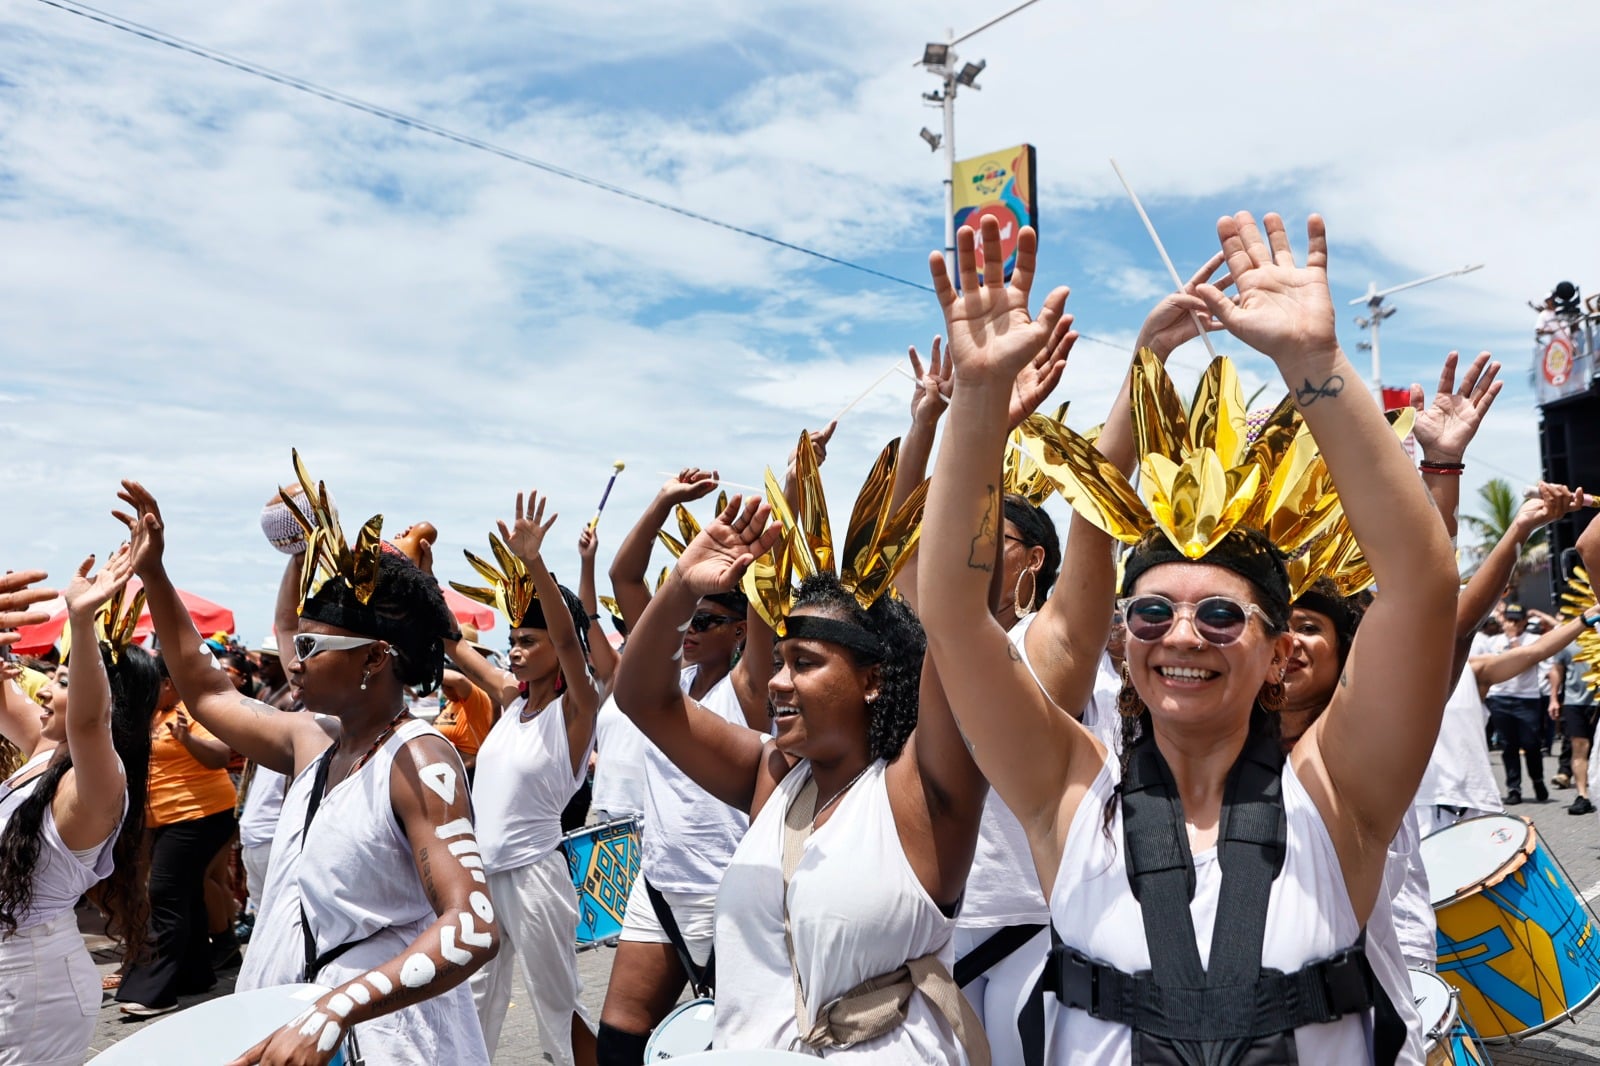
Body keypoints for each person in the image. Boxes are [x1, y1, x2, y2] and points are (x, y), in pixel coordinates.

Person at [920, 212, 1457, 1063]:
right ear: (1125, 641)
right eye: (1151, 612)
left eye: (1219, 615)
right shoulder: (1067, 795)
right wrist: (979, 402)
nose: (1182, 635)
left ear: (1279, 652)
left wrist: (1314, 367)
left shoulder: (1340, 798)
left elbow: (1423, 587)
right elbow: (950, 610)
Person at [117, 478, 499, 1066]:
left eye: (314, 644)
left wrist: (337, 1009)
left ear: (375, 657)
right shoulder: (311, 740)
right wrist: (156, 575)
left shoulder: (419, 759)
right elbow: (203, 683)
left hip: (383, 1037)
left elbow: (473, 926)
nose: (294, 660)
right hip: (290, 1018)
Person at [613, 471, 991, 1061]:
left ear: (872, 680)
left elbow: (955, 612)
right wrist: (683, 587)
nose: (776, 682)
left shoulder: (919, 792)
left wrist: (979, 412)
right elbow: (643, 698)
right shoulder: (775, 779)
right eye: (780, 660)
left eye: (805, 663)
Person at [595, 469, 774, 1063]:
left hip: (732, 892)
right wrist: (666, 499)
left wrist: (794, 490)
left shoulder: (752, 687)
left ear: (741, 630)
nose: (689, 631)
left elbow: (769, 586)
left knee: (738, 1047)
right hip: (660, 886)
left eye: (706, 622)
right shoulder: (667, 680)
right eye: (686, 621)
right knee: (621, 1037)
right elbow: (624, 575)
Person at [441, 492, 601, 1066]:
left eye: (526, 641)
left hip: (536, 875)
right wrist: (421, 579)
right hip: (484, 875)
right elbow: (455, 646)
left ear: (558, 653)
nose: (513, 651)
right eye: (511, 640)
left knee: (558, 1005)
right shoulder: (510, 703)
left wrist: (535, 565)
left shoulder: (576, 710)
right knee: (476, 1002)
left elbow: (566, 640)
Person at [0, 557, 158, 1065]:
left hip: (32, 987)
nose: (42, 687)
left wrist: (81, 621)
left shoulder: (97, 784)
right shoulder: (45, 752)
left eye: (63, 680)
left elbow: (91, 721)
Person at [113, 653, 239, 1016]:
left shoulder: (192, 710)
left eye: (156, 684)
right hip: (164, 820)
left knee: (165, 895)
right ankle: (197, 975)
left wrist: (187, 739)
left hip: (202, 815)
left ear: (168, 683)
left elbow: (219, 756)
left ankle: (155, 992)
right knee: (185, 895)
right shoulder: (147, 714)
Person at [1485, 603, 1549, 803]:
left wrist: (1513, 639)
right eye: (1509, 619)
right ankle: (1514, 789)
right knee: (1508, 746)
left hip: (1526, 698)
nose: (1512, 624)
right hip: (1500, 697)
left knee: (1531, 744)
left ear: (1524, 621)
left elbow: (1524, 661)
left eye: (1516, 620)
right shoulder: (1493, 641)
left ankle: (1537, 780)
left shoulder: (1533, 639)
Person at [1551, 636, 1599, 814]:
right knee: (1579, 747)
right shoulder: (1570, 637)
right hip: (1574, 702)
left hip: (1598, 701)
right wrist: (1554, 698)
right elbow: (1557, 669)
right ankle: (1582, 795)